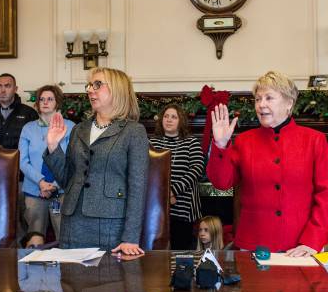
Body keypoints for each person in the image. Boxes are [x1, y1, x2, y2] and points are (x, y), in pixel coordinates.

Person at [207, 71, 328, 256]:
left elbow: (327, 195)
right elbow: (221, 183)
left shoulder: (314, 140)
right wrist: (220, 145)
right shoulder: (244, 141)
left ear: (289, 103)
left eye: (269, 98)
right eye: (258, 99)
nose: (261, 104)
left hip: (302, 246)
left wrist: (312, 241)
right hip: (254, 244)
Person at [44, 67, 149, 255]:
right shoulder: (79, 129)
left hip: (110, 225)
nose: (90, 90)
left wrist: (130, 238)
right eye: (90, 85)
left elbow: (137, 188)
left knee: (107, 281)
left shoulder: (134, 131)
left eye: (98, 85)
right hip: (72, 222)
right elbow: (67, 179)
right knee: (71, 282)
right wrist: (53, 146)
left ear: (117, 89)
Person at [19, 85, 74, 245]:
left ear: (57, 102)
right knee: (35, 241)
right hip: (34, 190)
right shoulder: (28, 128)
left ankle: (66, 270)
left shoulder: (71, 128)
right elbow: (23, 161)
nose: (45, 102)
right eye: (41, 99)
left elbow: (73, 161)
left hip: (62, 190)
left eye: (50, 99)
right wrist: (42, 182)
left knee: (63, 239)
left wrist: (55, 185)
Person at [150, 104, 204, 249]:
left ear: (181, 121)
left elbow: (197, 168)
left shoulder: (191, 142)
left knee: (181, 251)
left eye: (174, 117)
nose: (169, 120)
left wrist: (172, 191)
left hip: (183, 208)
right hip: (157, 207)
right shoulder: (152, 142)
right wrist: (164, 194)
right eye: (166, 116)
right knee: (158, 251)